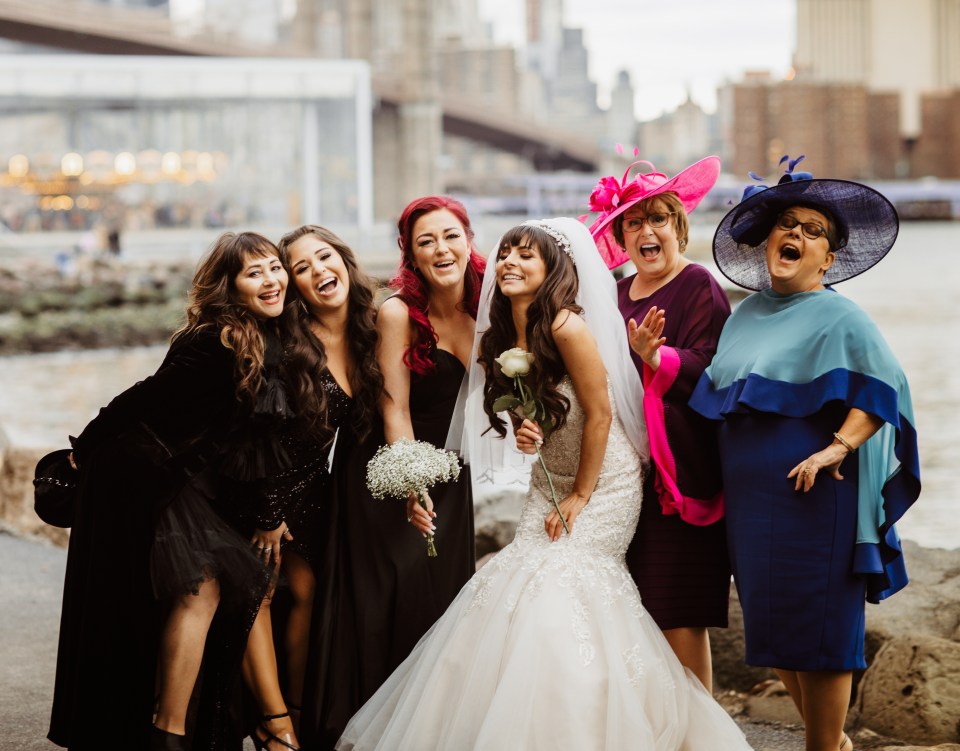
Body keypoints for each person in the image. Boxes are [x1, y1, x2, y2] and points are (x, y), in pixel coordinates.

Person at [337, 218, 752, 750]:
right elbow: (541, 411)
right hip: (548, 477)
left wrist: (581, 494)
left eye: (525, 255)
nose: (509, 262)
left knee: (561, 585)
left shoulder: (566, 326)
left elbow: (601, 415)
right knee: (507, 586)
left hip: (605, 479)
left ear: (553, 268)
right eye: (506, 252)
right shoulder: (504, 335)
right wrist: (528, 430)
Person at [690, 159, 921, 751]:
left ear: (829, 260)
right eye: (786, 223)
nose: (795, 235)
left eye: (813, 231)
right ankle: (835, 743)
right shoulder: (743, 317)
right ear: (767, 239)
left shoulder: (842, 316)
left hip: (817, 500)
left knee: (822, 632)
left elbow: (882, 392)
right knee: (774, 630)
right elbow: (717, 400)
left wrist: (834, 448)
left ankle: (824, 747)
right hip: (751, 504)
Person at [48, 232, 295, 750]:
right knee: (199, 592)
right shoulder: (219, 338)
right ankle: (170, 731)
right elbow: (146, 396)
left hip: (177, 475)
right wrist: (86, 445)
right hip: (143, 474)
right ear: (230, 287)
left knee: (202, 594)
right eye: (255, 273)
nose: (272, 280)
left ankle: (171, 728)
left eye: (276, 267)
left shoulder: (258, 334)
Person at [299, 197, 485, 749]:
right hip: (386, 469)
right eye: (425, 241)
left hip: (454, 475)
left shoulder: (489, 311)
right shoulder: (399, 312)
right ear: (411, 253)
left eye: (449, 236)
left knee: (445, 597)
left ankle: (431, 729)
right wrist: (410, 483)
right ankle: (375, 729)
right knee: (394, 595)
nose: (440, 249)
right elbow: (393, 407)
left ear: (469, 239)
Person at [585, 156, 731, 690]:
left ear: (678, 227)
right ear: (621, 236)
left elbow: (717, 368)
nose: (647, 231)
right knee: (635, 609)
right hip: (626, 481)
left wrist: (657, 359)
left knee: (679, 611)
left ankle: (702, 732)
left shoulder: (698, 286)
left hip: (680, 477)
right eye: (633, 222)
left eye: (659, 219)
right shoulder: (614, 298)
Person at [270, 225, 382, 748]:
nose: (319, 272)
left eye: (324, 257)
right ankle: (285, 720)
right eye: (301, 268)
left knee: (328, 599)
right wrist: (265, 507)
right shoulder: (289, 343)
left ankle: (314, 713)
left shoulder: (375, 327)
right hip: (271, 484)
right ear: (293, 285)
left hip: (321, 488)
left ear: (343, 259)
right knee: (303, 593)